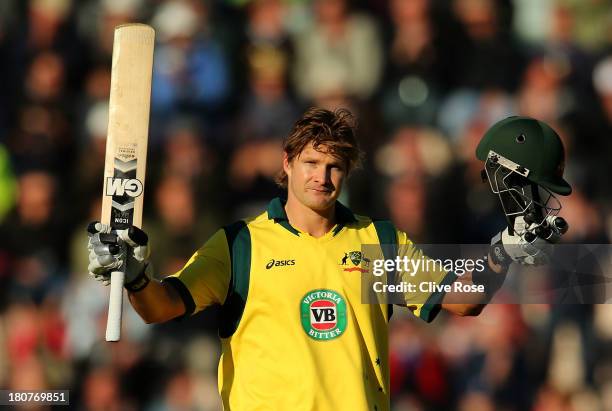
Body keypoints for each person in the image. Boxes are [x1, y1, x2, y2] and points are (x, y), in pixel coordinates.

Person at [87, 109, 569, 410]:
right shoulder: (240, 244)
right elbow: (162, 306)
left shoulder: (376, 242)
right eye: (312, 163)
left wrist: (503, 252)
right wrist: (133, 276)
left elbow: (462, 302)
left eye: (335, 165)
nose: (323, 177)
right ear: (287, 163)